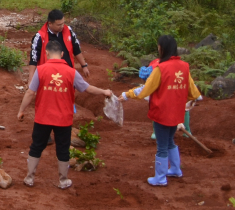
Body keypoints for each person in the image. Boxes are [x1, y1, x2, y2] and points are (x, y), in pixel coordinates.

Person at [16, 39, 115, 190]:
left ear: (47, 53)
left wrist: (21, 110)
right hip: (63, 119)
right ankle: (63, 180)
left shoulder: (40, 70)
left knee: (36, 146)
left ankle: (29, 178)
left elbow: (30, 92)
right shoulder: (71, 72)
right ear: (62, 54)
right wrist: (104, 92)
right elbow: (87, 89)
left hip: (43, 117)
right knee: (63, 148)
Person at [122, 35, 202, 186]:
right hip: (177, 114)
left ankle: (160, 178)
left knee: (162, 146)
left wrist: (128, 94)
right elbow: (193, 92)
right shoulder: (184, 66)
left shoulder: (161, 68)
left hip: (162, 113)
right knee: (170, 141)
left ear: (162, 48)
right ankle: (176, 169)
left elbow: (146, 90)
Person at [28, 9, 89, 74]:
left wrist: (84, 65)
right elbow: (33, 59)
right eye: (59, 25)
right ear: (50, 23)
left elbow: (76, 49)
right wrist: (30, 80)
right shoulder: (40, 37)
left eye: (63, 23)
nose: (62, 26)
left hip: (67, 73)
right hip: (48, 75)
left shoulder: (69, 31)